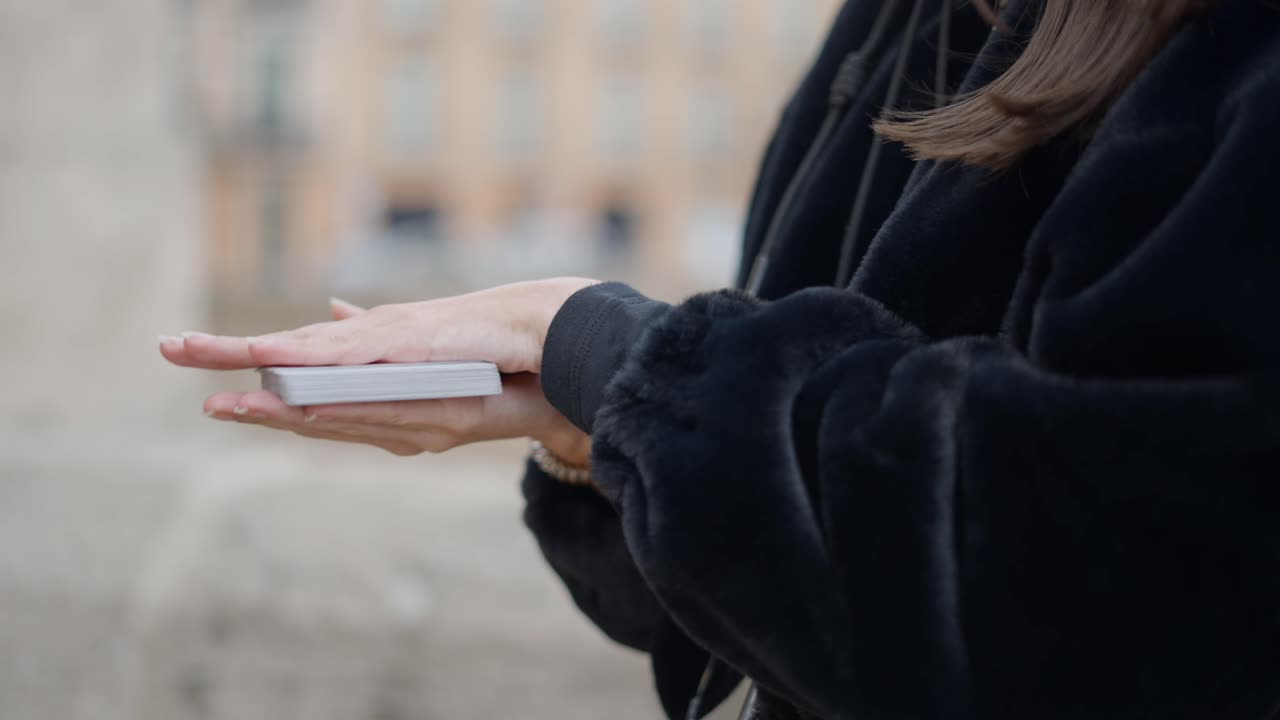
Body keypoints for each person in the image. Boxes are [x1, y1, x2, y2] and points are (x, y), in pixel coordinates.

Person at [161, 0, 1280, 717]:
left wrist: (609, 354)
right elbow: (757, 611)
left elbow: (1116, 592)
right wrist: (593, 432)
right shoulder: (901, 27)